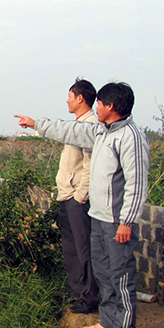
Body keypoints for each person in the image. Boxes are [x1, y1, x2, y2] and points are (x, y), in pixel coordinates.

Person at [15, 82, 149, 328]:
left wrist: (127, 221)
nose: (96, 107)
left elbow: (136, 182)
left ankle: (124, 327)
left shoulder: (130, 137)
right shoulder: (102, 132)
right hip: (98, 215)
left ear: (111, 106)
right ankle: (108, 320)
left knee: (120, 272)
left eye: (99, 103)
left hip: (115, 220)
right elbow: (69, 130)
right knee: (102, 270)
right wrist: (36, 124)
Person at [59, 78, 99, 314]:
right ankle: (78, 292)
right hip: (67, 196)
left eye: (70, 96)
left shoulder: (89, 126)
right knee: (71, 248)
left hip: (77, 198)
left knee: (84, 248)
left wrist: (80, 196)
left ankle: (89, 296)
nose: (67, 100)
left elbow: (90, 166)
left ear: (80, 98)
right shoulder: (78, 125)